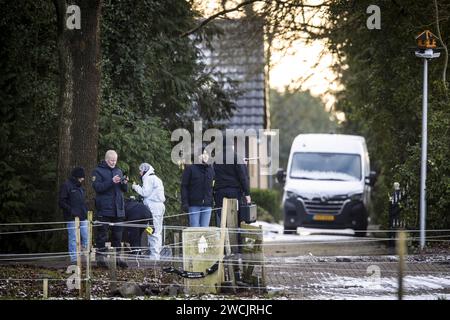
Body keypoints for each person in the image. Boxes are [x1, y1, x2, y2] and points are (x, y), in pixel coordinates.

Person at [92, 150, 128, 268]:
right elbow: (98, 188)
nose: (113, 162)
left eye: (115, 160)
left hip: (118, 209)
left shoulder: (118, 170)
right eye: (111, 160)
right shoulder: (98, 171)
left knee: (118, 235)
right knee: (102, 234)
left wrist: (124, 183)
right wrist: (111, 181)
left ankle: (117, 258)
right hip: (104, 208)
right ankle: (100, 259)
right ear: (106, 159)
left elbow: (124, 190)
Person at [213, 138, 251, 227]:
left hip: (219, 192)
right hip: (234, 192)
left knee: (222, 217)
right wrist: (247, 193)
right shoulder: (236, 157)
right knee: (235, 217)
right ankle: (235, 239)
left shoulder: (216, 159)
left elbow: (213, 175)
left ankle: (223, 238)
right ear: (232, 146)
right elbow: (243, 177)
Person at [132, 163, 165, 260]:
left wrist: (135, 187)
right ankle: (156, 255)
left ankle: (154, 257)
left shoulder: (148, 178)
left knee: (153, 231)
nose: (139, 172)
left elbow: (145, 192)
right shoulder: (156, 178)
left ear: (145, 170)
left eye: (141, 171)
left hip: (154, 207)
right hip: (159, 206)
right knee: (157, 231)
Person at [58, 167, 88, 264]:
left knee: (86, 235)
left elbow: (82, 201)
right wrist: (71, 211)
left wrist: (84, 210)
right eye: (81, 177)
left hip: (83, 215)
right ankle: (74, 259)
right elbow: (61, 202)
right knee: (73, 237)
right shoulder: (66, 185)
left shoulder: (81, 187)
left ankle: (85, 255)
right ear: (77, 177)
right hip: (71, 217)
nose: (83, 179)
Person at [181, 148, 214, 227]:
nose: (205, 156)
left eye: (207, 154)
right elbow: (184, 186)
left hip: (207, 205)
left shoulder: (210, 169)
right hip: (194, 205)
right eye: (203, 153)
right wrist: (185, 202)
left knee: (204, 231)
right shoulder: (190, 169)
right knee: (195, 230)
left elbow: (213, 186)